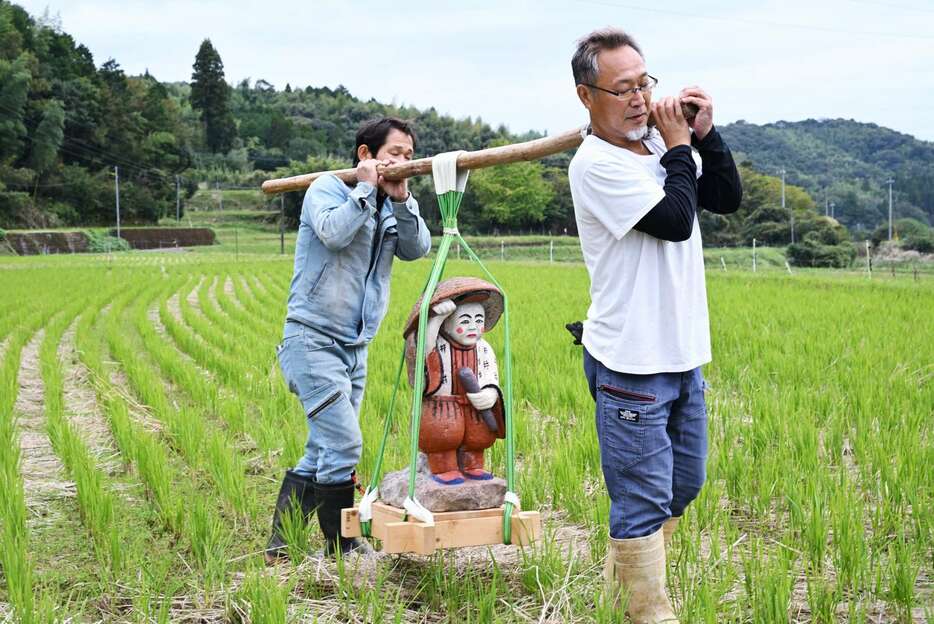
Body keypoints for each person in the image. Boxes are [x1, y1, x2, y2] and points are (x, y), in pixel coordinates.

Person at [568, 28, 742, 622]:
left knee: (683, 486)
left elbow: (723, 196)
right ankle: (647, 611)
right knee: (641, 502)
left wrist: (705, 137)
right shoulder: (594, 163)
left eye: (645, 82)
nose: (640, 97)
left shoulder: (660, 149)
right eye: (623, 89)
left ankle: (621, 592)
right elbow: (674, 219)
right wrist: (676, 148)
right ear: (586, 97)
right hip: (631, 361)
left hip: (683, 352)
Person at [266, 117, 432, 562]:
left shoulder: (389, 207)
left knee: (322, 448)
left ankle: (279, 547)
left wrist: (402, 199)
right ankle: (343, 549)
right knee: (343, 444)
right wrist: (363, 190)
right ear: (366, 155)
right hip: (311, 340)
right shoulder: (327, 189)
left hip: (354, 348)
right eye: (394, 153)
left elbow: (418, 249)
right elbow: (334, 233)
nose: (403, 161)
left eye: (409, 156)